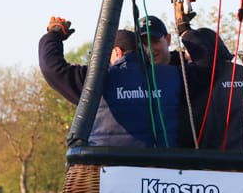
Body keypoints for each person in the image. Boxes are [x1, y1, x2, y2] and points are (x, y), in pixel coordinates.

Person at [39, 16, 182, 147]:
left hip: (107, 169)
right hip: (161, 170)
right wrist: (185, 29)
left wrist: (53, 35)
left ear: (117, 52)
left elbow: (52, 68)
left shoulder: (97, 80)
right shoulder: (173, 75)